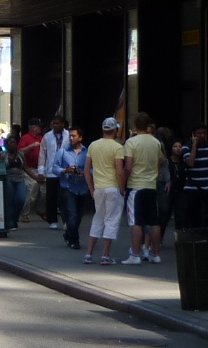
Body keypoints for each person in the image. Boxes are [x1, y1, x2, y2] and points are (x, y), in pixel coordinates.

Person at [122, 112, 165, 264]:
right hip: (151, 185)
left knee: (136, 221)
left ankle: (135, 254)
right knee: (154, 221)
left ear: (135, 125)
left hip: (136, 185)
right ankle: (156, 254)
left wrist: (124, 181)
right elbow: (161, 160)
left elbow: (128, 166)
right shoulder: (155, 142)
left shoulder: (131, 142)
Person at [84, 118, 127, 265]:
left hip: (99, 188)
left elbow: (86, 170)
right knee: (111, 221)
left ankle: (89, 254)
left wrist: (91, 188)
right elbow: (120, 171)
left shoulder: (93, 145)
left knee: (98, 219)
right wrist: (123, 189)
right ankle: (105, 255)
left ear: (103, 129)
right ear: (115, 130)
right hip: (113, 187)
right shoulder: (118, 147)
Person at [53, 128, 90, 249]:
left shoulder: (87, 152)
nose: (71, 138)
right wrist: (65, 170)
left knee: (79, 216)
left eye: (74, 136)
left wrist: (86, 173)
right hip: (68, 187)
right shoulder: (62, 152)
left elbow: (93, 168)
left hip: (82, 187)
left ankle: (68, 234)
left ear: (80, 137)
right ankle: (75, 240)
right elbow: (54, 168)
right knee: (72, 214)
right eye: (70, 136)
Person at [180, 127, 208, 230]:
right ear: (194, 135)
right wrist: (194, 146)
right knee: (194, 215)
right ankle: (195, 237)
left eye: (203, 133)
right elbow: (190, 163)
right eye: (199, 133)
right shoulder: (186, 148)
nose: (202, 135)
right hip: (193, 186)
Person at [39, 117, 69, 230]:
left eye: (57, 123)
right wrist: (41, 170)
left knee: (64, 197)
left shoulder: (68, 135)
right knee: (51, 197)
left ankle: (66, 220)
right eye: (53, 123)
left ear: (62, 124)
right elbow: (42, 154)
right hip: (51, 171)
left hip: (65, 170)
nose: (55, 125)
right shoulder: (47, 136)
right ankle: (52, 220)